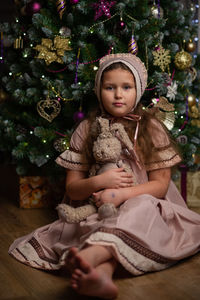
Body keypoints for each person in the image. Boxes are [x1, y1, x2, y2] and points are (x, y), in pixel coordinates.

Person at [9, 53, 200, 299]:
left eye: (126, 87)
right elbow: (74, 190)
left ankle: (89, 256)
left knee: (137, 210)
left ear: (138, 90)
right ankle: (101, 276)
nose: (118, 95)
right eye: (110, 87)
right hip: (99, 207)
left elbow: (160, 187)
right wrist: (100, 182)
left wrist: (121, 193)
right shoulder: (87, 129)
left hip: (148, 206)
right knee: (107, 222)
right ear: (100, 91)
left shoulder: (151, 128)